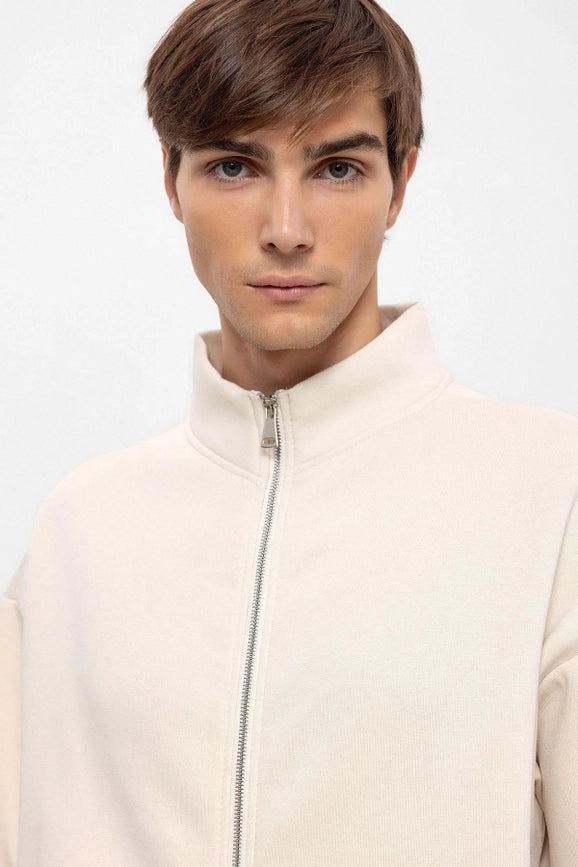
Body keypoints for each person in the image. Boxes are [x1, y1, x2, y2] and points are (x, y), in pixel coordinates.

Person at [1, 0, 577, 863]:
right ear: (172, 181)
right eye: (234, 166)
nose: (286, 230)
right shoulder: (78, 530)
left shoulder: (549, 491)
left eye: (337, 168)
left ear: (400, 184)